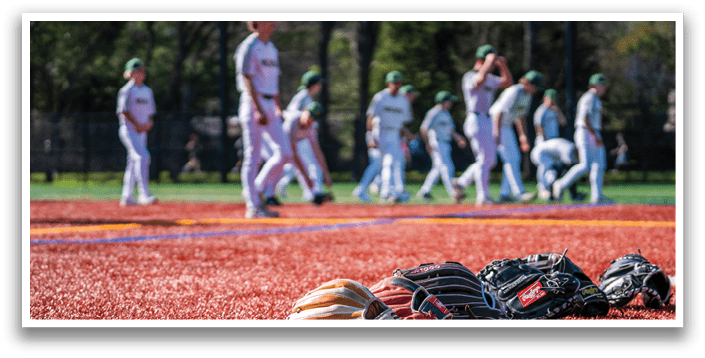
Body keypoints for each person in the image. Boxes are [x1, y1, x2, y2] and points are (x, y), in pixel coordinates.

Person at [234, 21, 291, 218]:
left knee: (285, 152)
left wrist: (277, 107)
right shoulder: (249, 46)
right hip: (252, 102)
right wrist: (257, 108)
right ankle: (253, 205)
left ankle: (256, 188)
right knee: (253, 155)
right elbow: (247, 78)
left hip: (269, 103)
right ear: (256, 23)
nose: (273, 22)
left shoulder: (271, 48)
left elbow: (274, 81)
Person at [453, 44, 513, 205]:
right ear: (482, 60)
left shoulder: (491, 78)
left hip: (486, 119)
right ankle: (483, 196)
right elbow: (479, 80)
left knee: (489, 160)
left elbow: (507, 82)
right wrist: (488, 61)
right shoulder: (470, 76)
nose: (492, 65)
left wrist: (503, 66)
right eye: (490, 62)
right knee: (484, 159)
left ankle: (461, 182)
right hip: (475, 118)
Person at [552, 73, 612, 204]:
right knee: (585, 165)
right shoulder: (589, 97)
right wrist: (595, 135)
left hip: (593, 131)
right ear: (595, 85)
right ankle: (560, 184)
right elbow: (585, 118)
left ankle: (597, 196)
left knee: (599, 164)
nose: (604, 88)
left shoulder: (596, 99)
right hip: (586, 132)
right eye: (602, 85)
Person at [356, 70, 413, 203]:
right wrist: (370, 136)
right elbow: (370, 117)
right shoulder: (380, 97)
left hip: (394, 133)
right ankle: (370, 190)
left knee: (392, 162)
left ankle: (387, 192)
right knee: (378, 163)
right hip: (380, 132)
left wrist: (406, 137)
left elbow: (404, 123)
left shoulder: (403, 100)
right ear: (388, 84)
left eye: (399, 83)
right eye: (394, 83)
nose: (397, 86)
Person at [489, 70, 544, 203]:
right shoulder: (514, 91)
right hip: (495, 123)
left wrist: (522, 136)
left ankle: (505, 193)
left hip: (506, 127)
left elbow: (520, 116)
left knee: (512, 159)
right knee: (499, 160)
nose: (535, 90)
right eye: (535, 86)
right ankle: (519, 192)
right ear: (528, 83)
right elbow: (499, 112)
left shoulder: (527, 95)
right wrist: (496, 132)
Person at [275, 71, 323, 203]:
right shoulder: (303, 96)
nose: (320, 86)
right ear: (313, 84)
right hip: (293, 134)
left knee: (293, 164)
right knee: (305, 163)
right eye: (318, 83)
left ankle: (282, 186)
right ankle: (313, 192)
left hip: (301, 135)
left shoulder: (307, 97)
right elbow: (291, 114)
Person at [117, 58, 158, 207]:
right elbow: (123, 111)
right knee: (143, 157)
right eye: (137, 70)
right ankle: (143, 194)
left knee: (133, 162)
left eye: (142, 70)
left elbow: (150, 112)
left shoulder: (147, 91)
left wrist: (148, 124)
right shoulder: (126, 90)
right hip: (129, 131)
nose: (140, 73)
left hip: (142, 131)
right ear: (130, 73)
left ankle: (127, 196)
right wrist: (137, 125)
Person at [416, 91, 467, 201]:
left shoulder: (446, 113)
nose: (451, 104)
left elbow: (450, 130)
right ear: (444, 101)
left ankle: (424, 191)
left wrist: (458, 138)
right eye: (449, 101)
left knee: (437, 168)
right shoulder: (434, 112)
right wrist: (428, 143)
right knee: (447, 167)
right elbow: (424, 128)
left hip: (445, 143)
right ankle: (453, 192)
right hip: (437, 142)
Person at [281, 101, 331, 204]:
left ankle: (314, 194)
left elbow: (318, 153)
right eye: (310, 116)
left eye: (313, 119)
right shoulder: (292, 121)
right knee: (280, 162)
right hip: (273, 140)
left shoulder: (311, 127)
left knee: (311, 163)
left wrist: (326, 174)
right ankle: (262, 191)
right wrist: (307, 178)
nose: (310, 120)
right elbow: (294, 156)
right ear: (304, 110)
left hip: (293, 144)